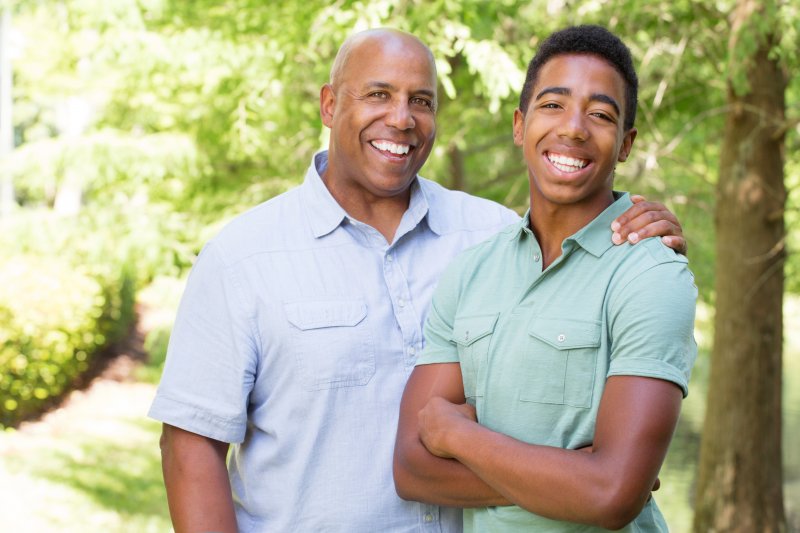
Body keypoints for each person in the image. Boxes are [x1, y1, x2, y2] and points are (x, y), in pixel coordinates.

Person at [149, 27, 687, 532]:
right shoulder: (243, 257)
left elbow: (588, 256)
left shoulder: (490, 236)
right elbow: (189, 446)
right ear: (330, 105)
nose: (402, 119)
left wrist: (597, 483)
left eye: (422, 102)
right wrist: (575, 483)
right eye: (378, 95)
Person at [393, 25, 697, 532]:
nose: (574, 128)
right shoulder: (471, 272)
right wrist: (574, 478)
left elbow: (612, 495)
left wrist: (457, 437)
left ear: (625, 144)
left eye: (600, 114)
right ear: (520, 124)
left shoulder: (651, 273)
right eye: (553, 105)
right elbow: (410, 469)